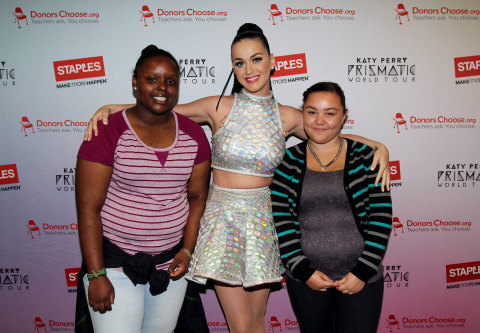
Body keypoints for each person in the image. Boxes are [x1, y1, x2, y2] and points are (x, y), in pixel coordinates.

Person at [83, 24, 390, 333]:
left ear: (273, 61)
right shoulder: (217, 107)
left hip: (263, 225)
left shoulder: (287, 116)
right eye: (239, 63)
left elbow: (328, 133)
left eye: (256, 59)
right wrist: (110, 108)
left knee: (256, 325)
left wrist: (380, 147)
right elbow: (161, 109)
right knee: (241, 327)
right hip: (222, 224)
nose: (248, 69)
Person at [75, 45, 211, 333]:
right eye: (152, 79)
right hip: (114, 263)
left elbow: (198, 197)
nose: (162, 87)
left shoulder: (194, 134)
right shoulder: (108, 131)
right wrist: (96, 273)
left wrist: (187, 249)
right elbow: (89, 207)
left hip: (170, 266)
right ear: (135, 83)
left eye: (171, 81)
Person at [270, 82, 392, 333]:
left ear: (344, 115)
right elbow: (281, 222)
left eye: (330, 113)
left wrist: (362, 272)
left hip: (362, 280)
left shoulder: (367, 158)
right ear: (302, 113)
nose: (320, 120)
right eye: (312, 111)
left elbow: (381, 217)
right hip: (306, 282)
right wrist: (304, 271)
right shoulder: (287, 162)